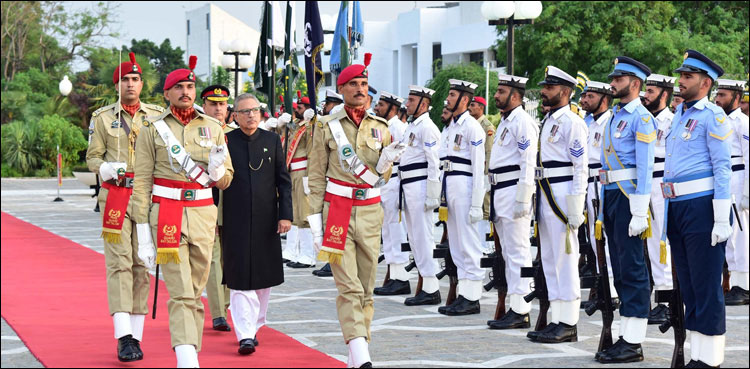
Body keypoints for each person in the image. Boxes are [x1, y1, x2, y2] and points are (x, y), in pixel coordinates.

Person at [132, 56, 234, 367]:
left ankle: (190, 349)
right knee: (179, 291)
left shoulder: (214, 127)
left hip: (203, 212)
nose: (186, 92)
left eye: (190, 86)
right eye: (179, 87)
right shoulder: (152, 128)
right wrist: (142, 235)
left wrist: (218, 171)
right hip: (167, 214)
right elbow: (142, 181)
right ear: (167, 93)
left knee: (196, 289)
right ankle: (186, 356)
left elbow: (227, 179)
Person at [307, 53, 404, 368]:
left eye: (364, 83)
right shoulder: (326, 126)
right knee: (348, 286)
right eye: (354, 84)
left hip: (370, 209)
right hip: (337, 210)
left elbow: (381, 176)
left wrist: (387, 161)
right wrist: (314, 224)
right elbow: (316, 176)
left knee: (366, 289)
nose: (361, 89)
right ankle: (362, 355)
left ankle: (355, 351)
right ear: (342, 88)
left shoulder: (381, 126)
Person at [86, 52, 164, 362]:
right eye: (124, 80)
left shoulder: (158, 116)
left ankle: (137, 334)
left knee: (142, 265)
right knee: (118, 264)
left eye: (134, 79)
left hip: (146, 197)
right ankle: (124, 336)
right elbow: (93, 157)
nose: (130, 84)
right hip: (116, 196)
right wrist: (105, 168)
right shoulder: (102, 117)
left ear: (142, 84)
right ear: (116, 85)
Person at [664, 49, 732, 367]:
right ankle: (698, 355)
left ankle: (711, 359)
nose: (680, 82)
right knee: (689, 284)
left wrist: (721, 217)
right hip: (677, 206)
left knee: (706, 283)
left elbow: (722, 169)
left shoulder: (713, 116)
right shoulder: (680, 114)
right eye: (681, 76)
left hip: (703, 206)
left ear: (705, 83)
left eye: (687, 77)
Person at [595, 56, 656, 363]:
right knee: (618, 269)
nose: (613, 83)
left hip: (629, 194)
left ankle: (634, 341)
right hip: (610, 194)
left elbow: (645, 167)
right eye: (613, 78)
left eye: (618, 79)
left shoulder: (641, 118)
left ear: (634, 84)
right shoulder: (616, 116)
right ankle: (625, 333)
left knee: (632, 269)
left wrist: (640, 210)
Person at [222, 93, 292, 355]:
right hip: (234, 217)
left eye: (255, 110)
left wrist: (285, 214)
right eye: (245, 111)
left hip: (266, 218)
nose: (251, 115)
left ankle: (256, 324)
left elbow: (283, 181)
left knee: (263, 277)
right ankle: (245, 334)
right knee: (240, 277)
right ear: (235, 116)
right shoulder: (226, 140)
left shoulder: (272, 140)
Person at [528, 66, 588, 344]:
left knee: (565, 259)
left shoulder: (572, 122)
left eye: (549, 88)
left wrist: (576, 204)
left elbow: (581, 167)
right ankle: (556, 317)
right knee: (550, 260)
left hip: (562, 192)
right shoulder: (550, 120)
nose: (543, 91)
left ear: (564, 92)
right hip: (546, 191)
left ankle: (569, 321)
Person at [485, 74, 537, 329]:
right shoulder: (506, 121)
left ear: (515, 95)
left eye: (501, 91)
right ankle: (516, 307)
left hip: (513, 189)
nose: (496, 95)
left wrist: (523, 197)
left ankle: (521, 308)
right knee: (507, 251)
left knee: (518, 251)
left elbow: (528, 160)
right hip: (500, 191)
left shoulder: (522, 122)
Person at [436, 79, 486, 316]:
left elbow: (478, 167)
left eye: (453, 94)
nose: (448, 97)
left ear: (464, 100)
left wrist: (477, 201)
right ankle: (464, 293)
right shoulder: (451, 127)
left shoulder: (471, 127)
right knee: (455, 242)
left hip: (465, 184)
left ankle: (473, 295)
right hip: (450, 184)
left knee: (468, 241)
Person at [399, 85, 443, 306]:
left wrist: (433, 193)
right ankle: (425, 283)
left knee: (423, 236)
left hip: (420, 184)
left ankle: (431, 286)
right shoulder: (413, 126)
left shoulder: (427, 127)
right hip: (408, 183)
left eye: (411, 100)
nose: (407, 104)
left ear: (423, 104)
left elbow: (434, 161)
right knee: (414, 236)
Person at [198, 84, 235, 333]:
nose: (219, 108)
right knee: (212, 256)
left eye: (222, 104)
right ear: (204, 105)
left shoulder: (237, 132)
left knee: (231, 255)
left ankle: (227, 303)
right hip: (208, 199)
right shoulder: (196, 131)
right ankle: (218, 312)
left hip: (233, 200)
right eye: (213, 104)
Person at [578, 81, 618, 303]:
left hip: (602, 182)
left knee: (607, 238)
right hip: (588, 182)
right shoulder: (589, 124)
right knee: (595, 240)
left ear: (604, 99)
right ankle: (602, 285)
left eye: (590, 96)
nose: (584, 100)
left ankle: (611, 290)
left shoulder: (610, 123)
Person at [642, 74, 677, 324]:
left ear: (664, 95)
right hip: (644, 185)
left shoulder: (672, 122)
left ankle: (666, 302)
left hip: (662, 185)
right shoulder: (643, 120)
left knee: (663, 244)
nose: (646, 95)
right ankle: (660, 297)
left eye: (651, 91)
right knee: (652, 245)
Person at [714, 79, 749, 305]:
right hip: (724, 178)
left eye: (723, 95)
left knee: (741, 232)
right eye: (717, 94)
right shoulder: (719, 120)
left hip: (738, 177)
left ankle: (743, 285)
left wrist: (747, 192)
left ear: (736, 97)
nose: (718, 99)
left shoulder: (743, 122)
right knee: (728, 232)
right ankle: (733, 282)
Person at [372, 91, 410, 295]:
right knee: (387, 230)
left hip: (395, 180)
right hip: (385, 181)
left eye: (381, 105)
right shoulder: (386, 126)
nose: (377, 108)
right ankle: (394, 275)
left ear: (392, 108)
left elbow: (401, 156)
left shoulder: (398, 127)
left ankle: (401, 276)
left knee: (395, 230)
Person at [312, 90, 344, 278]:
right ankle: (331, 262)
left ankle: (334, 263)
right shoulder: (327, 125)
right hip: (331, 182)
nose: (325, 108)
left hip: (345, 186)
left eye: (328, 105)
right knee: (333, 228)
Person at [286, 98, 318, 269]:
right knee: (297, 215)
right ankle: (300, 253)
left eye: (300, 107)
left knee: (305, 215)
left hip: (304, 171)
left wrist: (310, 175)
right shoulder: (298, 126)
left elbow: (314, 148)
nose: (296, 110)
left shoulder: (311, 126)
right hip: (294, 172)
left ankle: (308, 255)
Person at [468, 96, 496, 254]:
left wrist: (486, 174)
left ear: (481, 107)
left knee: (485, 208)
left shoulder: (487, 126)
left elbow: (489, 151)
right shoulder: (471, 124)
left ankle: (485, 244)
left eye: (473, 105)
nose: (470, 108)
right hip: (473, 172)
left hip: (483, 172)